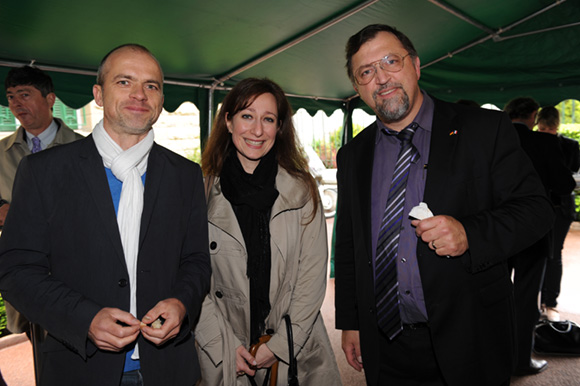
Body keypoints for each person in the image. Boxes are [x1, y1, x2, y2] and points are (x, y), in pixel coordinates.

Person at [335, 24, 554, 386]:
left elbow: (536, 210)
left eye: (391, 61)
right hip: (387, 344)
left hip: (470, 336)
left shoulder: (485, 128)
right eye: (366, 72)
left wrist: (470, 233)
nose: (382, 78)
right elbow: (348, 245)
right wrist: (351, 321)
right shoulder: (353, 155)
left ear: (416, 65)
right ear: (358, 88)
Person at [0, 44, 211, 386]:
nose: (140, 94)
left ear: (161, 99)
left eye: (151, 85)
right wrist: (85, 319)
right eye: (125, 82)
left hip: (168, 368)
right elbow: (16, 271)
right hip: (79, 367)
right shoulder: (44, 171)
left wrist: (181, 302)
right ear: (98, 94)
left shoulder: (185, 174)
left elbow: (197, 261)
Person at [195, 78, 341, 386]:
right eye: (247, 116)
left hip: (294, 351)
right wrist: (222, 344)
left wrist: (279, 347)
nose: (257, 130)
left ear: (280, 128)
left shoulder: (302, 191)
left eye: (268, 119)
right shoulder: (200, 191)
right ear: (228, 121)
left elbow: (311, 277)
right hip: (225, 352)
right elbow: (190, 277)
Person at [1, 65, 84, 337]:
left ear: (50, 100)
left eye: (24, 94)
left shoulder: (87, 149)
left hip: (74, 267)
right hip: (23, 267)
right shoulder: (1, 153)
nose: (15, 104)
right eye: (11, 96)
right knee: (33, 340)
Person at [504, 97, 575, 375]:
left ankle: (492, 353)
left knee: (493, 292)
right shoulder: (544, 143)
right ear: (533, 115)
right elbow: (564, 184)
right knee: (525, 296)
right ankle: (520, 360)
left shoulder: (490, 140)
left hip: (494, 228)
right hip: (531, 229)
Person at [537, 106, 580, 321]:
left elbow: (569, 174)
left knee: (554, 254)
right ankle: (534, 302)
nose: (545, 132)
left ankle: (550, 302)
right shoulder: (532, 142)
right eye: (542, 128)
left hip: (560, 207)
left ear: (557, 126)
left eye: (549, 129)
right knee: (536, 255)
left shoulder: (570, 145)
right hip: (540, 205)